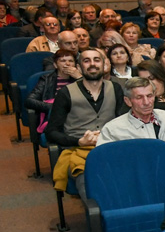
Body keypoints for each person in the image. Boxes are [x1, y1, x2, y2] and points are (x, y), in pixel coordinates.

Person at [46, 48, 126, 196]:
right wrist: (78, 141)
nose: (92, 64)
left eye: (97, 60)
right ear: (78, 67)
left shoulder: (115, 88)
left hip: (110, 147)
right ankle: (99, 217)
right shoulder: (65, 93)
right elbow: (51, 132)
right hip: (78, 152)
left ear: (104, 65)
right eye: (86, 60)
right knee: (91, 185)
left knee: (128, 178)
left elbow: (124, 122)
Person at [96, 76, 165, 160]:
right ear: (128, 101)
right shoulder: (112, 130)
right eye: (139, 97)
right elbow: (105, 161)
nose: (146, 102)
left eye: (149, 96)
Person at [27, 49, 80, 134]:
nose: (67, 64)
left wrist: (80, 78)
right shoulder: (47, 79)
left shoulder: (81, 79)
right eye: (63, 61)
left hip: (78, 116)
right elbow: (30, 101)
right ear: (55, 65)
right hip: (55, 117)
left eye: (71, 61)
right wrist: (54, 107)